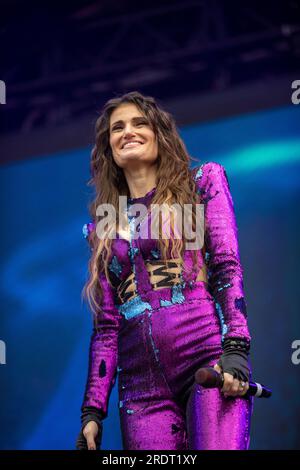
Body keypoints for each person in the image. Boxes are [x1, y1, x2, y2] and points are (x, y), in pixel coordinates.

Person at [76, 91, 254, 451]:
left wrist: (235, 349)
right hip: (140, 389)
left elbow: (226, 267)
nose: (128, 131)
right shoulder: (102, 230)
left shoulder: (201, 184)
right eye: (117, 127)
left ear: (159, 133)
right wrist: (92, 412)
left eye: (140, 123)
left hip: (206, 358)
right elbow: (107, 327)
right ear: (109, 148)